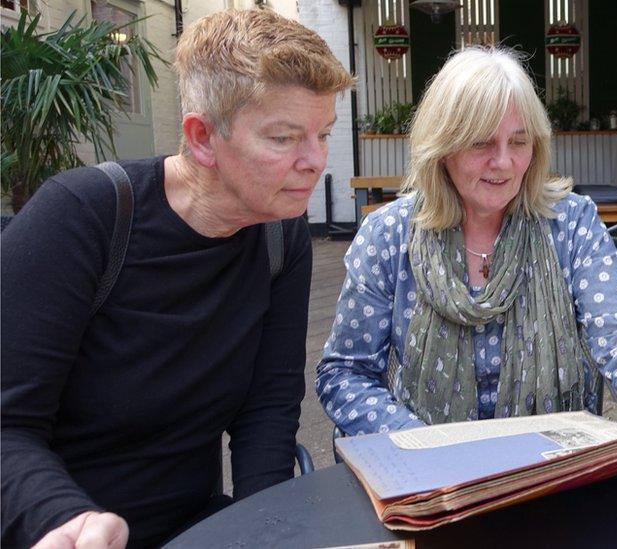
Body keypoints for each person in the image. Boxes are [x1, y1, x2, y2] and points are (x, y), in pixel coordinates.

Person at [0, 9, 354, 548]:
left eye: (323, 134)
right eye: (284, 138)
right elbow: (8, 424)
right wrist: (66, 518)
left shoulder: (280, 235)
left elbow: (267, 411)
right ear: (203, 138)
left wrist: (268, 533)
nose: (315, 161)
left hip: (196, 530)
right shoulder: (84, 217)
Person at [316, 47, 617, 476]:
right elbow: (346, 374)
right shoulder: (388, 237)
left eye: (518, 141)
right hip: (425, 485)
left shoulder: (570, 224)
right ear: (442, 146)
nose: (503, 162)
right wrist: (421, 448)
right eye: (481, 142)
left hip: (548, 479)